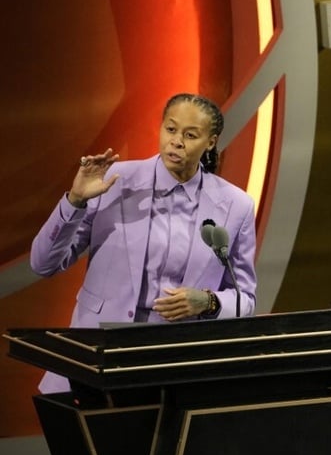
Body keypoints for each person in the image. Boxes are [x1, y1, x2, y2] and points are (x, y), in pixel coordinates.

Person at [30, 93, 257, 393]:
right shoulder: (114, 181)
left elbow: (245, 298)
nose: (176, 141)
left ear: (211, 142)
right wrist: (75, 201)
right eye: (171, 129)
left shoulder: (235, 205)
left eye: (190, 135)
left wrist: (208, 302)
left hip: (173, 367)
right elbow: (42, 264)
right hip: (95, 358)